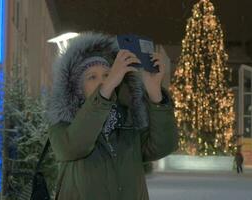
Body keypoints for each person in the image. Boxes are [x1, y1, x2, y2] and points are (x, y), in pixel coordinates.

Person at [47, 32, 178, 200]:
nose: (102, 81)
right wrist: (104, 91)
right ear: (76, 87)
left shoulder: (128, 122)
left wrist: (154, 93)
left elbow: (164, 146)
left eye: (107, 75)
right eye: (92, 77)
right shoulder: (64, 124)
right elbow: (73, 146)